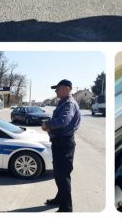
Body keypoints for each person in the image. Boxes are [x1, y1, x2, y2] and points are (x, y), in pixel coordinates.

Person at [42, 79, 82, 212]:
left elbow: (64, 120)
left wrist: (48, 125)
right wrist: (49, 124)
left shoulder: (69, 103)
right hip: (59, 143)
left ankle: (66, 208)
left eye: (58, 88)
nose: (56, 91)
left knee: (63, 175)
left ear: (66, 89)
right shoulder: (63, 102)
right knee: (59, 174)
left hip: (64, 143)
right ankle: (60, 198)